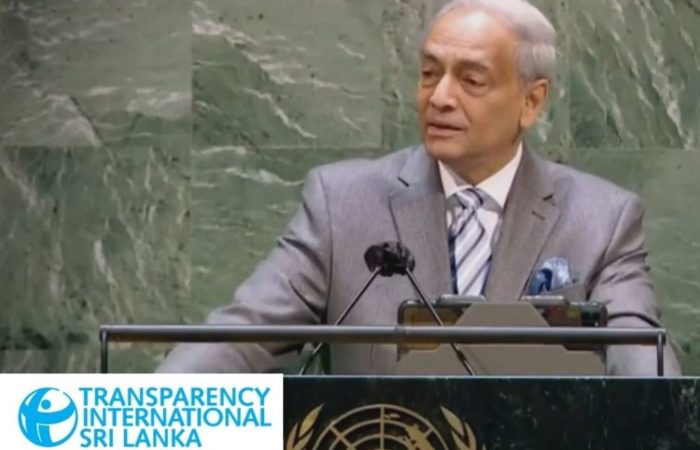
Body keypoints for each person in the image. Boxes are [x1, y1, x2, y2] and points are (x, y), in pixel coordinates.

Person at [159, 0, 681, 375]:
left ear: (532, 101)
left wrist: (663, 414)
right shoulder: (343, 204)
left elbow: (642, 361)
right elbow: (243, 337)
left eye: (471, 80)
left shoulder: (601, 220)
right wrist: (147, 412)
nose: (440, 97)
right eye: (430, 74)